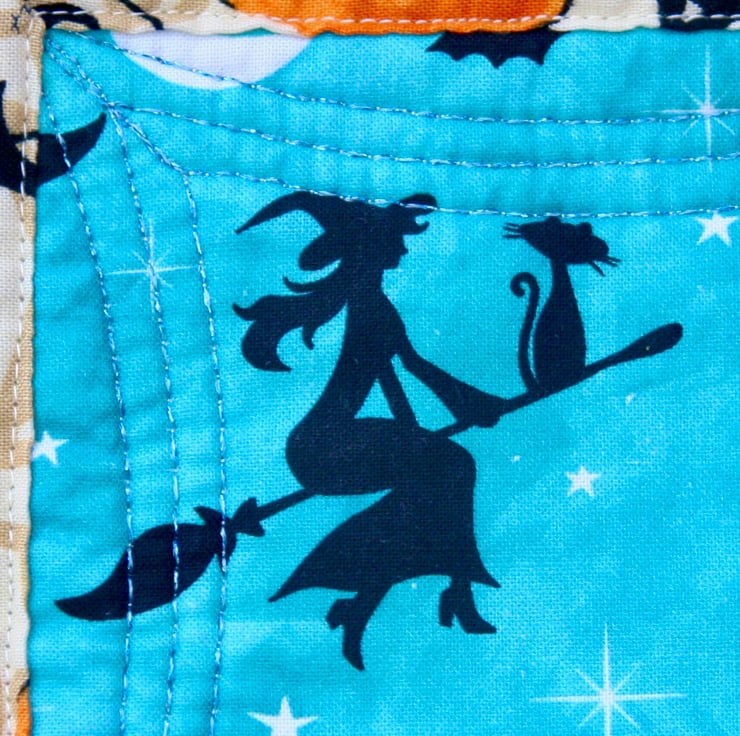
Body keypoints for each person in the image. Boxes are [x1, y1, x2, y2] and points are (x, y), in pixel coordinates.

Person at [234, 192, 505, 670]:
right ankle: (452, 591)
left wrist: (459, 412)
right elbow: (405, 375)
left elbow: (403, 374)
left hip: (334, 442)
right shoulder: (368, 305)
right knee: (451, 468)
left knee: (436, 482)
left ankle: (371, 604)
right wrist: (466, 408)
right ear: (374, 245)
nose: (404, 248)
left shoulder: (372, 301)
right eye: (397, 240)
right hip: (326, 447)